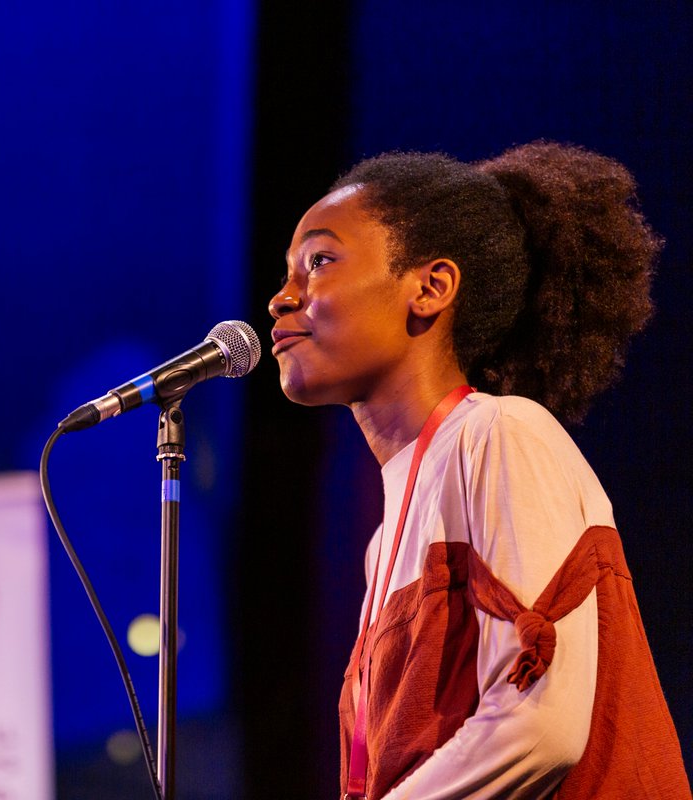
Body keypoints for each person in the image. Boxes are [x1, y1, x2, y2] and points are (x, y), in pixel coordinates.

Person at [266, 141, 690, 799]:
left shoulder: (501, 434)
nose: (280, 299)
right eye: (288, 272)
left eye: (319, 262)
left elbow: (537, 724)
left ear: (430, 288)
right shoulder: (385, 542)